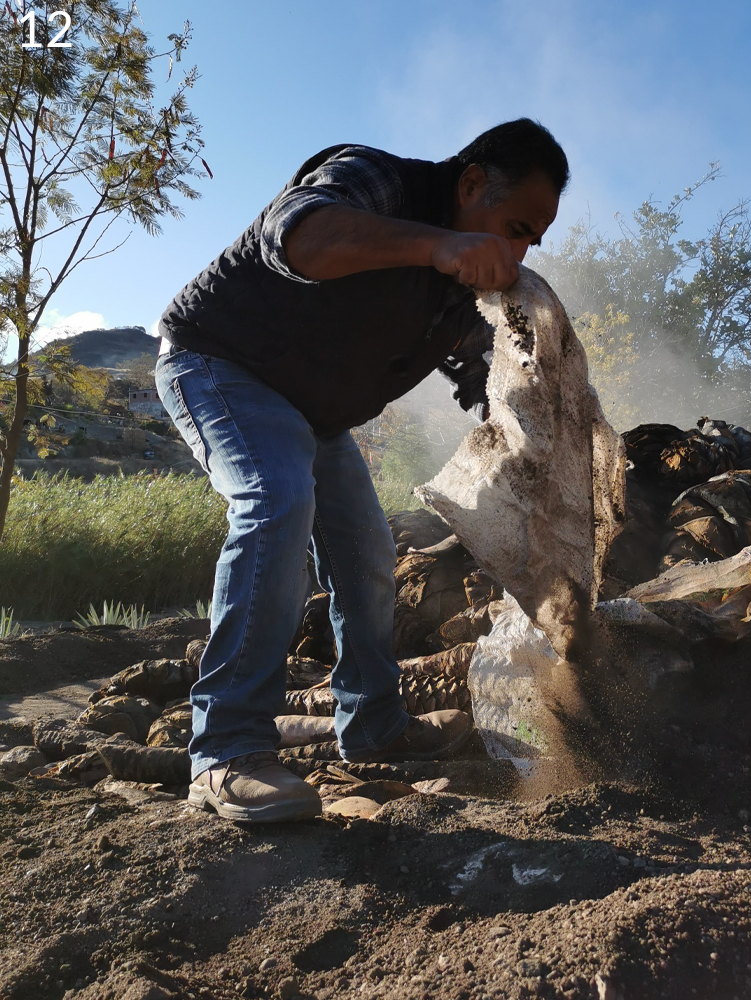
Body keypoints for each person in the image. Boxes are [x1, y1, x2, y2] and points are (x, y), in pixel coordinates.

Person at [153, 119, 568, 822]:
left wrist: (551, 440)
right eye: (516, 225)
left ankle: (373, 727)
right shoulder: (379, 180)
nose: (520, 249)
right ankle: (225, 752)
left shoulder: (460, 288)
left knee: (370, 553)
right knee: (277, 500)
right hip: (220, 365)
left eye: (534, 238)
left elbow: (489, 382)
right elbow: (300, 239)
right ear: (470, 184)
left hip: (314, 413)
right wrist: (440, 244)